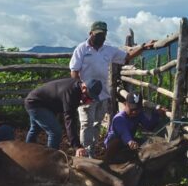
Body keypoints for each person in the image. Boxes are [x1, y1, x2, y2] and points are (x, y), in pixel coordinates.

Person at [70, 20, 157, 157]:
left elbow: (127, 57)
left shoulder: (109, 50)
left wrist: (143, 47)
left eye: (103, 35)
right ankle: (85, 154)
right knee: (86, 124)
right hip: (86, 94)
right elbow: (74, 71)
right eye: (97, 34)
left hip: (102, 94)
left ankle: (91, 151)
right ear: (90, 33)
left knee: (97, 124)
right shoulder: (81, 49)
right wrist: (78, 90)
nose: (100, 37)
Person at [24, 78, 102, 157]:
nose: (89, 100)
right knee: (55, 132)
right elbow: (70, 121)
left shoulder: (77, 87)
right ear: (84, 87)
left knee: (35, 129)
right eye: (89, 96)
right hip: (35, 103)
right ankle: (51, 161)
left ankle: (26, 154)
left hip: (39, 102)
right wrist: (77, 146)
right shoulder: (71, 93)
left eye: (92, 98)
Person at [103, 92, 167, 164]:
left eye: (137, 109)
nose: (134, 112)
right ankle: (107, 161)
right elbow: (124, 133)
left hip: (128, 143)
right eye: (132, 108)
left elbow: (149, 126)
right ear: (125, 104)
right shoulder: (119, 119)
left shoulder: (139, 114)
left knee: (148, 143)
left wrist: (156, 114)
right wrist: (130, 141)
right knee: (117, 141)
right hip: (114, 147)